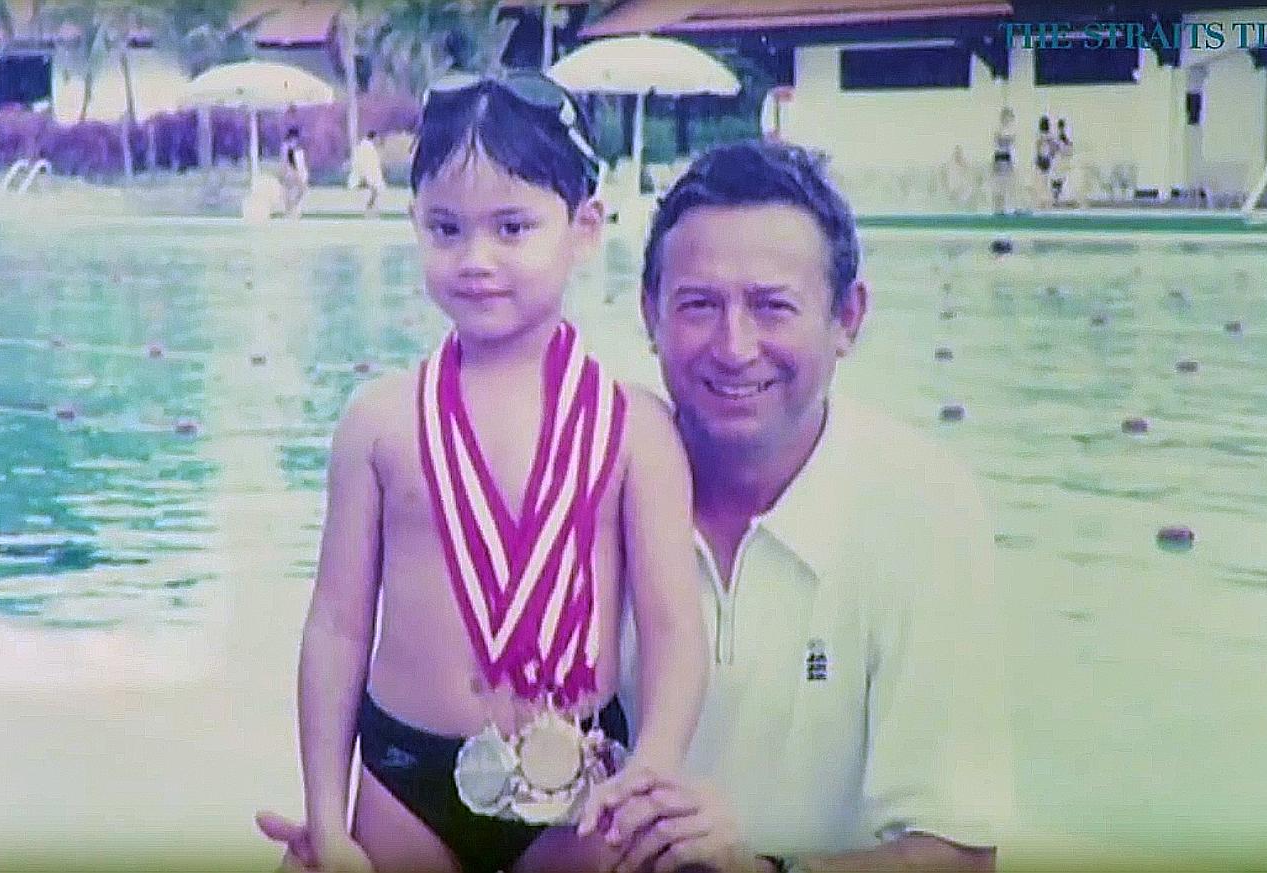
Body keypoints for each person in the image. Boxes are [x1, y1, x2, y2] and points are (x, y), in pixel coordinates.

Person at [259, 70, 709, 873]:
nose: (476, 258)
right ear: (414, 227)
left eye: (512, 226)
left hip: (580, 779)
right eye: (445, 228)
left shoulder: (636, 428)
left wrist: (651, 770)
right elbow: (335, 626)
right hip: (405, 779)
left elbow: (675, 626)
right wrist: (327, 817)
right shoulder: (378, 421)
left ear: (584, 228)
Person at [580, 141, 1015, 873]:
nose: (734, 346)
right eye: (698, 305)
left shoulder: (921, 506)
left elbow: (957, 850)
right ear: (650, 313)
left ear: (848, 317)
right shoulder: (583, 481)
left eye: (772, 306)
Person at [347, 130, 387, 215]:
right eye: (377, 138)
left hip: (365, 175)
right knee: (374, 190)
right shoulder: (367, 148)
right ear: (374, 138)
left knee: (374, 191)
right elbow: (367, 163)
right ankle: (368, 208)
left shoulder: (365, 146)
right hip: (365, 175)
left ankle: (369, 207)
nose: (378, 140)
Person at [990, 107, 1016, 215]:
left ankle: (1005, 208)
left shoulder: (1011, 131)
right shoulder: (998, 130)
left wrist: (1012, 164)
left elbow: (1011, 149)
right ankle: (998, 209)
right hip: (1000, 161)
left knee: (1006, 186)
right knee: (999, 187)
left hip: (1007, 161)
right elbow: (997, 147)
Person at [281, 127, 311, 219]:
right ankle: (291, 211)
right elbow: (289, 161)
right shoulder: (288, 147)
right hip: (292, 172)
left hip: (296, 172)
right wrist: (294, 172)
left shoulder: (297, 149)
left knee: (298, 192)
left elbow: (300, 162)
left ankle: (292, 210)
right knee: (293, 192)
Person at [1032, 115, 1056, 209]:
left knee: (1041, 181)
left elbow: (1038, 148)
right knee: (1046, 181)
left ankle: (1043, 201)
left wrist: (1037, 159)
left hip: (1041, 158)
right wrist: (1051, 156)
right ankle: (1047, 201)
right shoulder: (1050, 136)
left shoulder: (1040, 136)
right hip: (1047, 159)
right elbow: (1052, 149)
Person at [1052, 119, 1074, 206]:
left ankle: (1057, 198)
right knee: (1058, 180)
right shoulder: (1060, 138)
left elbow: (1067, 150)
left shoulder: (1061, 138)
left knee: (1059, 180)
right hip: (1059, 161)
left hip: (1060, 161)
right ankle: (1056, 198)